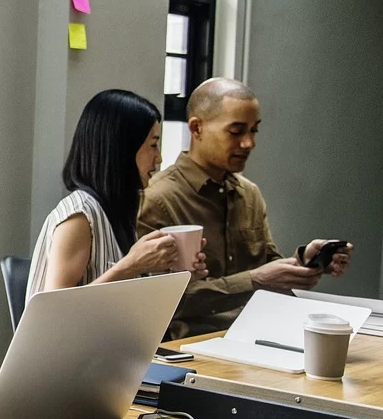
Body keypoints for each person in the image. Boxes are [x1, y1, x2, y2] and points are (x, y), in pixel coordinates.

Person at [138, 77, 352, 338]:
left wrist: (304, 261)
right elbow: (159, 302)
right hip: (191, 347)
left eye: (254, 130)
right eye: (236, 131)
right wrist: (254, 280)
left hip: (258, 335)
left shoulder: (248, 194)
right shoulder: (157, 199)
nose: (249, 143)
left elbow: (267, 265)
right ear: (197, 128)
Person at [27, 89, 207, 299]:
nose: (158, 158)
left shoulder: (118, 208)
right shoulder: (79, 217)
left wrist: (179, 276)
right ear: (122, 149)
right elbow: (52, 313)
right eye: (153, 145)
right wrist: (129, 266)